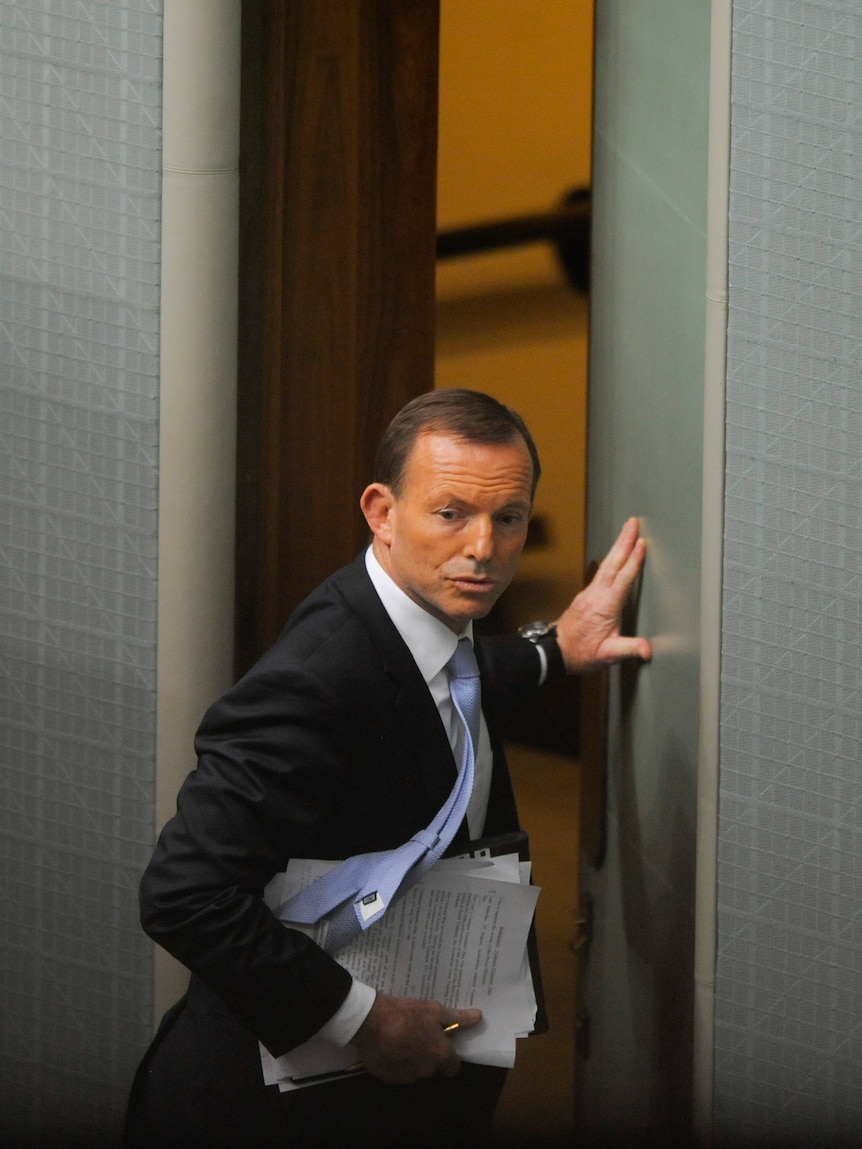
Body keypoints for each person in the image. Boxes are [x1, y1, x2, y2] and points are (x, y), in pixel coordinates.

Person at [123, 389, 651, 1149]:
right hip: (272, 1111)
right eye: (450, 513)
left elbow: (450, 680)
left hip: (401, 1087)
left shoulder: (429, 619)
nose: (483, 547)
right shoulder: (313, 679)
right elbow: (185, 895)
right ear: (380, 510)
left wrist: (554, 648)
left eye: (508, 519)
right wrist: (362, 1020)